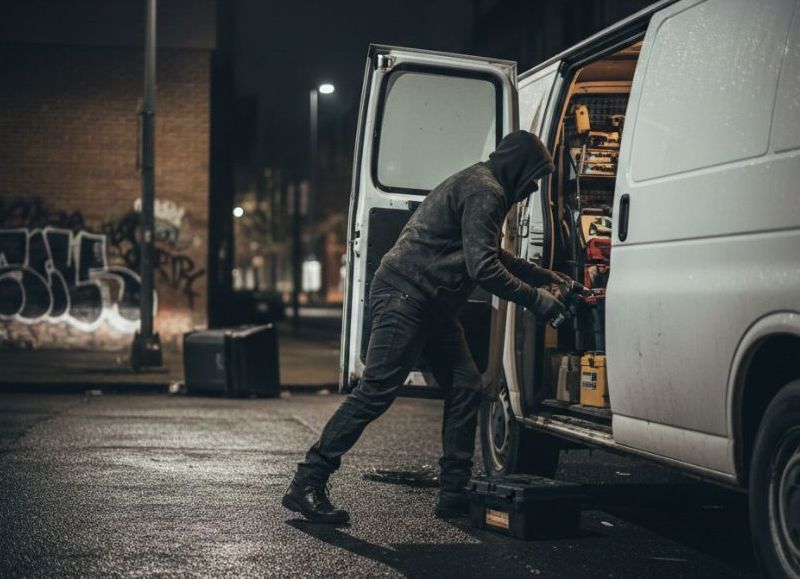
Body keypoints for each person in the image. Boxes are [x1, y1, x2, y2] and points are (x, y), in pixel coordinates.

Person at [283, 130, 585, 523]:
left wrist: (547, 277)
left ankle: (453, 493)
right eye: (533, 177)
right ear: (517, 167)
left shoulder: (483, 184)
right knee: (375, 392)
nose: (532, 188)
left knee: (466, 386)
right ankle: (307, 480)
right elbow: (484, 267)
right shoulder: (486, 191)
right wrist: (538, 300)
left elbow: (491, 254)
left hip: (431, 302)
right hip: (406, 295)